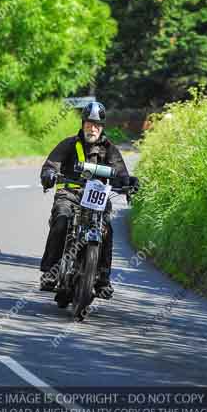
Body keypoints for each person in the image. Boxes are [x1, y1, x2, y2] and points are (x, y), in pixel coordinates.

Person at [39, 101, 132, 299]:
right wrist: (49, 173)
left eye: (97, 125)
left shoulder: (110, 149)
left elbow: (121, 173)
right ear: (82, 124)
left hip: (97, 199)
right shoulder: (69, 144)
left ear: (102, 127)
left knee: (107, 228)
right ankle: (50, 272)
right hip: (70, 195)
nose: (93, 128)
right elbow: (51, 164)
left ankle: (103, 280)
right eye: (89, 123)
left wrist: (129, 182)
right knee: (62, 219)